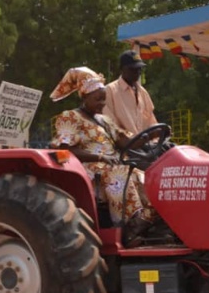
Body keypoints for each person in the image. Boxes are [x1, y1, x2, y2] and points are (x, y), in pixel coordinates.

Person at [50, 74, 154, 246]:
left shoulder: (103, 120)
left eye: (104, 100)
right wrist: (100, 157)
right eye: (98, 99)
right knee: (119, 174)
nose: (102, 104)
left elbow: (126, 142)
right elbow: (65, 147)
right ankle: (126, 228)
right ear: (85, 96)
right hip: (88, 170)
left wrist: (151, 135)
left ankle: (144, 221)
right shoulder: (70, 117)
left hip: (111, 165)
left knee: (148, 178)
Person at [103, 50, 157, 135]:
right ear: (122, 69)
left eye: (139, 69)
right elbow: (110, 125)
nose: (137, 72)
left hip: (146, 145)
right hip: (123, 146)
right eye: (133, 69)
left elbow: (152, 122)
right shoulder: (110, 91)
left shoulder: (143, 92)